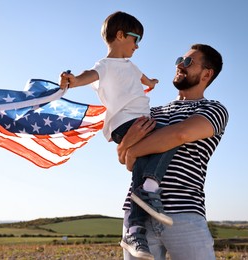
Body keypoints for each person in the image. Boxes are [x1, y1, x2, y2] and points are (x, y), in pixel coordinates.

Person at [59, 11, 176, 259]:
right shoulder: (105, 65)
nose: (137, 46)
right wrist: (72, 80)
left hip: (140, 120)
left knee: (150, 156)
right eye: (136, 39)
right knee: (167, 140)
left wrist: (152, 81)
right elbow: (86, 77)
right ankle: (149, 189)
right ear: (121, 35)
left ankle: (135, 228)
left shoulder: (131, 66)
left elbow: (144, 79)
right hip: (127, 122)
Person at [118, 43, 229, 260]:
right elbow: (126, 160)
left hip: (184, 212)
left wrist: (134, 150)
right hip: (137, 217)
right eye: (179, 60)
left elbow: (180, 134)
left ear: (207, 73)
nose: (180, 65)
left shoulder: (213, 109)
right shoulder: (152, 112)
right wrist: (126, 146)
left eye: (188, 62)